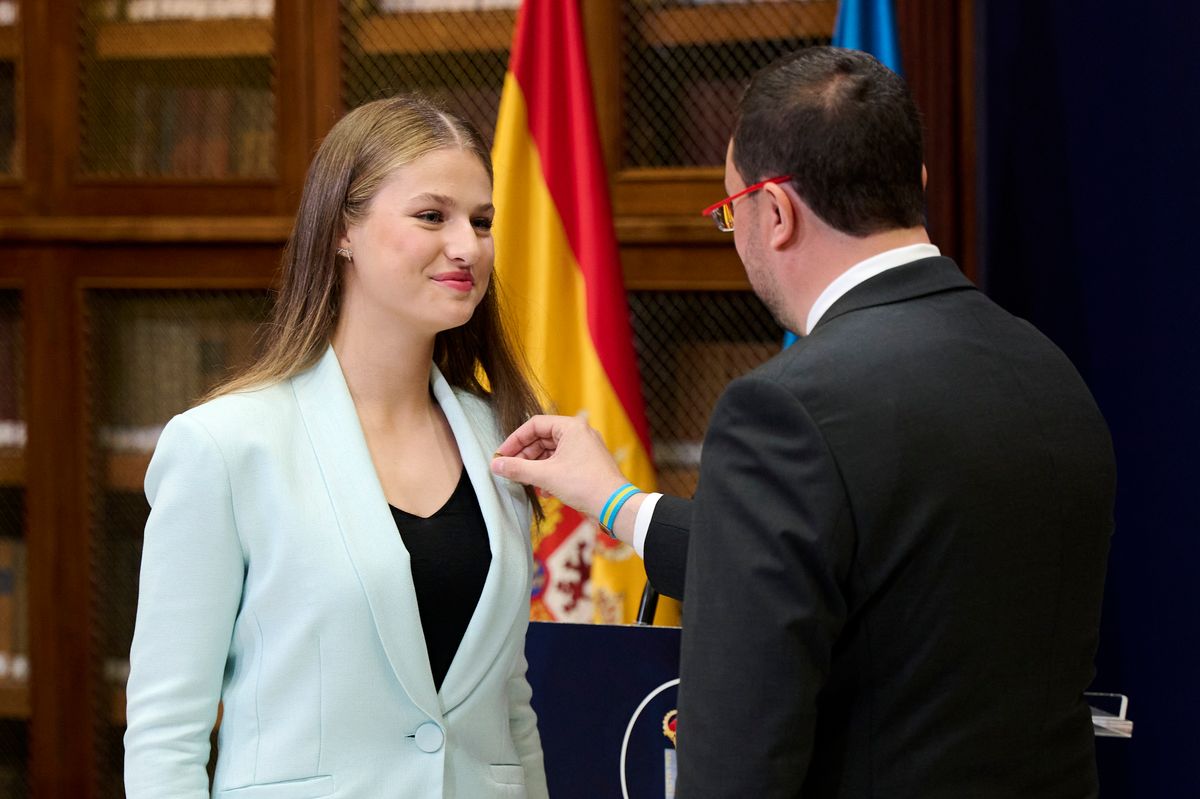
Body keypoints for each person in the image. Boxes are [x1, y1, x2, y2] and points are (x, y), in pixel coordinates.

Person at [491, 47, 1114, 798]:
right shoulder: (1047, 369)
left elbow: (736, 767)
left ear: (776, 211)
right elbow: (888, 573)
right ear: (913, 185)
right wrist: (622, 505)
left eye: (729, 212)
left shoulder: (784, 408)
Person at [125, 95, 549, 799]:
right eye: (431, 216)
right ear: (342, 231)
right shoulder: (226, 445)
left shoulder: (498, 435)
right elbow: (166, 732)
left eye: (481, 221)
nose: (468, 246)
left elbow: (509, 705)